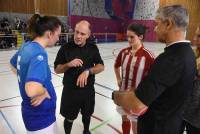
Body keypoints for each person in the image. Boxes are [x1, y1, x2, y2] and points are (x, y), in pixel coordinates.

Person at [112, 4, 196, 134]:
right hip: (172, 125)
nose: (155, 29)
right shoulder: (189, 54)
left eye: (157, 24)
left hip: (157, 127)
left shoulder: (170, 59)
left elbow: (136, 103)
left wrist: (115, 95)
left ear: (168, 24)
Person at [10, 14, 61, 134]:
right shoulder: (39, 54)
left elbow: (13, 65)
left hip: (34, 114)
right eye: (58, 35)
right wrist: (44, 91)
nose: (58, 38)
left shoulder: (26, 46)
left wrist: (24, 77)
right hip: (40, 117)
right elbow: (32, 89)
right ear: (49, 34)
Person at [54, 20, 104, 134]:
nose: (78, 36)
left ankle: (86, 131)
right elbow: (57, 69)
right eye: (76, 32)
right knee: (69, 118)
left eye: (82, 34)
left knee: (87, 114)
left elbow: (101, 66)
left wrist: (88, 71)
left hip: (87, 91)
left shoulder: (93, 48)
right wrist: (68, 64)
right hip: (70, 91)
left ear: (88, 35)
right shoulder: (65, 48)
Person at [114, 24, 155, 134]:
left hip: (137, 97)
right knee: (124, 118)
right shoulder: (123, 52)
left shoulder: (148, 56)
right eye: (128, 37)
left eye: (132, 37)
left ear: (140, 37)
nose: (129, 40)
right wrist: (118, 78)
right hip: (123, 93)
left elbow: (154, 78)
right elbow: (116, 65)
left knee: (136, 126)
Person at [182, 24, 200, 134]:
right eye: (195, 35)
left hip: (195, 118)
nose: (194, 38)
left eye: (199, 36)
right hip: (187, 113)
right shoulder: (194, 54)